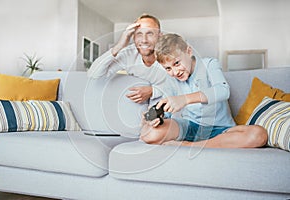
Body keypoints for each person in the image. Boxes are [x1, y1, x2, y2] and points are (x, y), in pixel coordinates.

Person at [140, 33, 268, 148]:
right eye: (168, 68)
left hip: (222, 129)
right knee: (149, 135)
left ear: (189, 51)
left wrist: (184, 99)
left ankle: (190, 145)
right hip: (190, 127)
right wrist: (155, 120)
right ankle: (204, 144)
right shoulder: (171, 80)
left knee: (259, 135)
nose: (174, 72)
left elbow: (223, 91)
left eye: (177, 63)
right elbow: (167, 114)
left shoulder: (209, 64)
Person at [87, 14, 171, 104]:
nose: (144, 40)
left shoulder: (171, 54)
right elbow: (93, 74)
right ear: (133, 37)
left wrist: (153, 91)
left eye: (150, 33)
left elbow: (181, 84)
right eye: (139, 34)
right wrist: (119, 46)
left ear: (160, 36)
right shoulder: (128, 54)